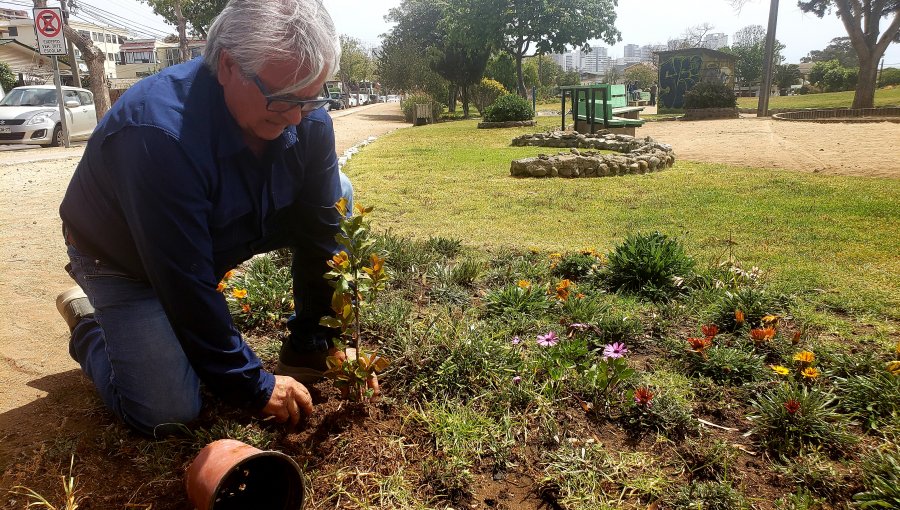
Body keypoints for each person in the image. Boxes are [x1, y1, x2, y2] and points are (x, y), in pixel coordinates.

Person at [55, 0, 356, 436]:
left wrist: (326, 336)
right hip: (126, 262)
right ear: (229, 65)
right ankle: (89, 327)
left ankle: (305, 344)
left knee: (337, 196)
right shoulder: (159, 134)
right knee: (168, 412)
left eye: (311, 99)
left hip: (216, 234)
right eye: (283, 99)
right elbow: (183, 281)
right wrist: (253, 385)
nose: (295, 117)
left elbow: (325, 234)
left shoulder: (305, 117)